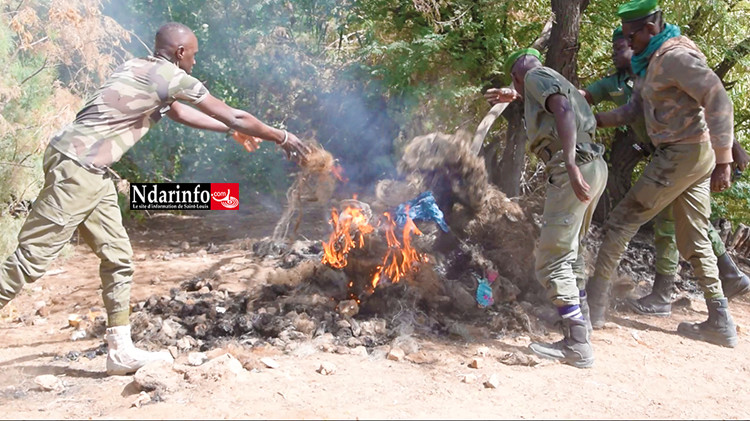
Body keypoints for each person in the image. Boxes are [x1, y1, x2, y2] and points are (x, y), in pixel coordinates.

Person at [0, 22, 310, 375]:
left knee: (118, 258)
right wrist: (281, 136)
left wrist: (230, 131)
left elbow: (178, 113)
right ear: (180, 52)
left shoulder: (136, 66)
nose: (195, 60)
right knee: (32, 258)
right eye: (193, 53)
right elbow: (234, 113)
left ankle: (120, 351)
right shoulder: (172, 76)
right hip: (78, 165)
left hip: (88, 168)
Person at [586, 0, 738, 348]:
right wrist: (592, 120)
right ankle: (720, 320)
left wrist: (725, 160)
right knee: (695, 234)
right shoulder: (652, 60)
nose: (626, 44)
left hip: (682, 153)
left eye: (629, 36)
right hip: (689, 154)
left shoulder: (674, 57)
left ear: (649, 29)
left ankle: (593, 307)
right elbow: (634, 109)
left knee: (621, 221)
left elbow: (718, 97)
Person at [486, 48, 608, 368]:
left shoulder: (536, 76)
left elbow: (562, 108)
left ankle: (577, 343)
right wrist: (513, 95)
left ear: (516, 74)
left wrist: (568, 164)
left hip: (574, 168)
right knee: (572, 251)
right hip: (595, 166)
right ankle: (583, 325)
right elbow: (556, 100)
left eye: (515, 82)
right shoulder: (551, 78)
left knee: (551, 260)